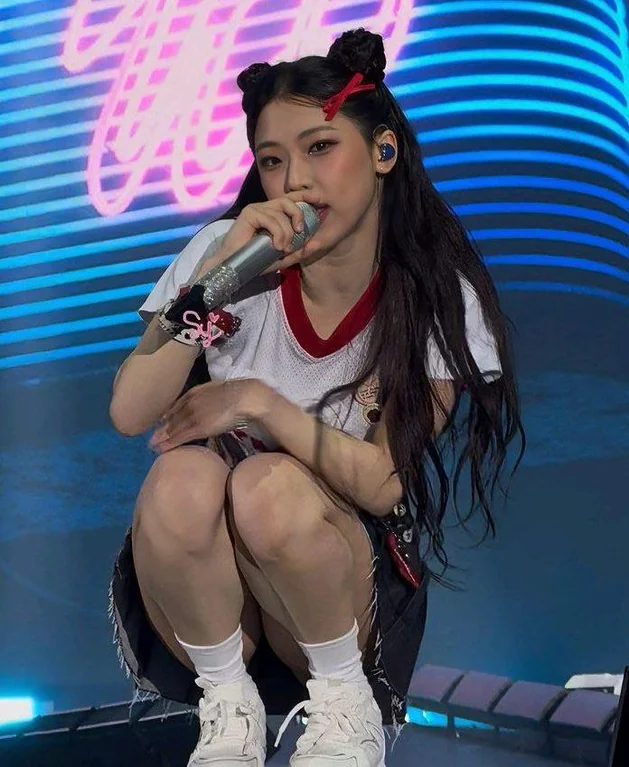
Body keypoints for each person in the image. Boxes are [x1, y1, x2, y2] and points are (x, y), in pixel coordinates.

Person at [108, 27, 524, 767]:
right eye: (272, 160)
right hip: (218, 602)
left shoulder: (433, 296)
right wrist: (216, 280)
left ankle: (345, 704)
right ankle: (228, 707)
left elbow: (383, 480)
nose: (294, 180)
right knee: (178, 479)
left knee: (265, 485)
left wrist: (258, 402)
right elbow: (130, 412)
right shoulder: (223, 256)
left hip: (340, 594)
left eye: (320, 148)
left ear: (383, 151)